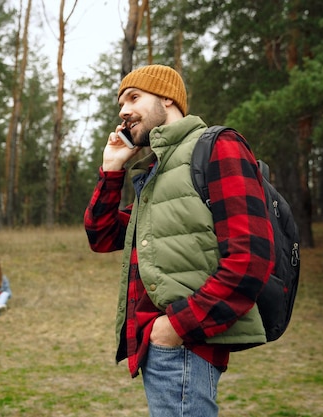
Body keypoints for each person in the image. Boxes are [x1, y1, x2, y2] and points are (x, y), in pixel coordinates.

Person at [83, 64, 275, 417]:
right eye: (120, 103)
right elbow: (102, 235)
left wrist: (172, 328)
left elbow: (251, 259)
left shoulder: (217, 147)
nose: (123, 111)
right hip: (163, 345)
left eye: (134, 97)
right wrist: (112, 168)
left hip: (184, 340)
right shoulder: (157, 171)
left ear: (168, 98)